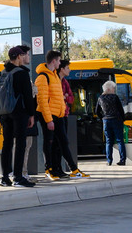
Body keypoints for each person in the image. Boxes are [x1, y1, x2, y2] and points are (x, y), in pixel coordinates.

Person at [35, 50, 89, 180]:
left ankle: (72, 169)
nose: (60, 63)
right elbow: (42, 101)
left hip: (58, 115)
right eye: (59, 60)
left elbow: (59, 98)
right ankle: (49, 169)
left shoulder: (54, 76)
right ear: (54, 61)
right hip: (49, 116)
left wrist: (61, 111)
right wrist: (48, 120)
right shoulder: (43, 77)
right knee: (48, 143)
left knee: (62, 142)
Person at [0, 45, 36, 188]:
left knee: (6, 144)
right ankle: (18, 177)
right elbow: (27, 96)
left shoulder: (3, 72)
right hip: (19, 112)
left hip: (4, 113)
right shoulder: (21, 73)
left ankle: (4, 177)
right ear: (19, 56)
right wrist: (31, 114)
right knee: (20, 144)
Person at [50, 59, 74, 176]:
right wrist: (63, 97)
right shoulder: (54, 81)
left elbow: (71, 98)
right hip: (55, 115)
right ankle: (56, 168)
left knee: (60, 143)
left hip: (64, 114)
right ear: (62, 69)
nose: (69, 70)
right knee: (57, 142)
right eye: (68, 68)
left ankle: (59, 168)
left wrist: (65, 97)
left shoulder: (65, 82)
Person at [96, 80, 126, 166]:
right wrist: (122, 120)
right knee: (120, 140)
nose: (114, 90)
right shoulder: (115, 97)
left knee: (108, 141)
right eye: (113, 88)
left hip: (106, 121)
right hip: (116, 120)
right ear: (108, 89)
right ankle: (122, 160)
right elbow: (121, 110)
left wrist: (102, 118)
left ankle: (109, 161)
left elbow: (97, 111)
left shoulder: (100, 98)